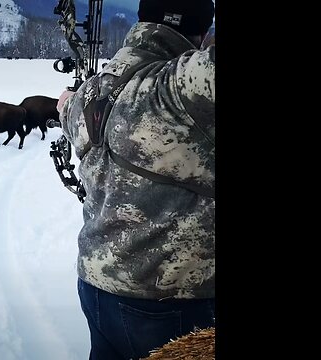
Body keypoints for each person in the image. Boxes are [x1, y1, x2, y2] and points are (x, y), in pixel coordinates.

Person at [56, 0, 215, 359]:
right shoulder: (185, 83)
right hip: (173, 303)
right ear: (202, 33)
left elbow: (67, 108)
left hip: (98, 287)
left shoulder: (95, 91)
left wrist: (67, 100)